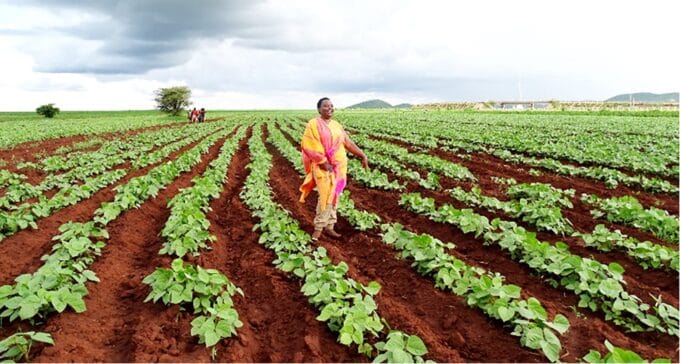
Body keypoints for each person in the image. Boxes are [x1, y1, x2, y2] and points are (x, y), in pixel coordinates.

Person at [299, 97, 369, 241]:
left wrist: (362, 155)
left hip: (339, 168)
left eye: (332, 106)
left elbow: (348, 143)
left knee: (335, 195)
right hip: (324, 167)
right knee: (325, 195)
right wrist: (323, 162)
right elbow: (309, 145)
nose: (330, 108)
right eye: (326, 106)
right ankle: (318, 230)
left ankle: (330, 226)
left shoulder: (337, 125)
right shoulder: (313, 124)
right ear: (319, 109)